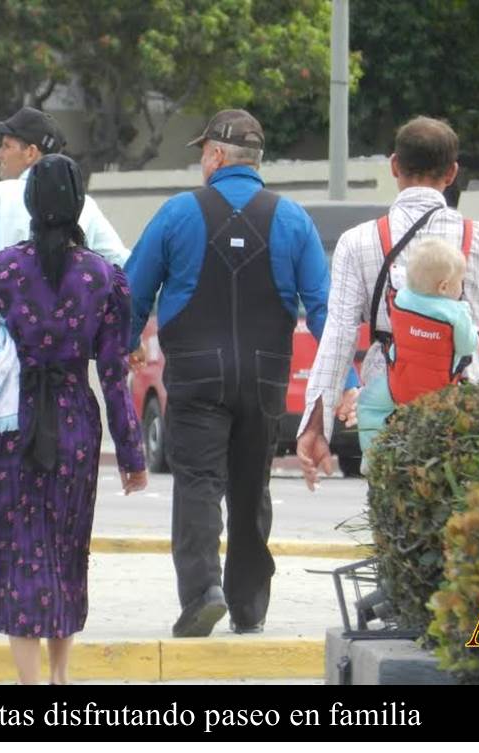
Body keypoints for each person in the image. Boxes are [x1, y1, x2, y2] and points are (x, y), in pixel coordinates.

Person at [0, 153, 147, 685]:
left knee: (19, 551)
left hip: (10, 425)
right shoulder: (106, 277)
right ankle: (60, 676)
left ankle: (31, 684)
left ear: (30, 204)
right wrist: (132, 455)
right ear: (79, 205)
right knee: (65, 549)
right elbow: (115, 375)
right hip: (76, 422)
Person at [124, 109, 331, 637]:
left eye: (202, 152)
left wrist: (123, 346)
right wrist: (340, 383)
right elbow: (323, 308)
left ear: (216, 155)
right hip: (265, 376)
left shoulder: (177, 213)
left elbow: (132, 292)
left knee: (197, 482)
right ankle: (249, 605)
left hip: (196, 374)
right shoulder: (293, 219)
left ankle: (202, 594)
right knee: (251, 486)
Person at [297, 116, 479, 489]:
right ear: (452, 172)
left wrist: (316, 426)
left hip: (388, 407)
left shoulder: (358, 242)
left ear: (394, 165)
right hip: (463, 410)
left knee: (393, 508)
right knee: (456, 509)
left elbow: (338, 339)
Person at [0, 106, 130, 381]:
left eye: (6, 146)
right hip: (65, 360)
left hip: (3, 354)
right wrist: (131, 334)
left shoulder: (0, 195)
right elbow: (125, 264)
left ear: (31, 152)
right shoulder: (87, 206)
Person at [355, 237, 478, 457]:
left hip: (398, 385)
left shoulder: (401, 299)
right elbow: (468, 346)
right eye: (461, 281)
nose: (462, 286)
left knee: (368, 406)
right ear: (444, 286)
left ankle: (372, 457)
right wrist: (468, 322)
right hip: (439, 392)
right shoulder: (457, 314)